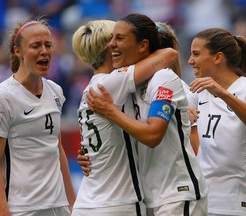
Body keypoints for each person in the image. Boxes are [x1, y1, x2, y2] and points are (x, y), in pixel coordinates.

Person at [83, 14, 208, 215]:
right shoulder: (128, 84)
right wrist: (89, 153)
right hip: (149, 197)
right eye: (111, 38)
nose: (111, 45)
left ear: (143, 46)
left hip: (177, 195)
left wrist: (110, 111)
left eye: (120, 39)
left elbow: (152, 135)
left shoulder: (163, 78)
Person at [71, 19, 178, 216]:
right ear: (109, 49)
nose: (116, 43)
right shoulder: (113, 82)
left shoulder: (90, 89)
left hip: (86, 202)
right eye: (114, 39)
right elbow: (168, 54)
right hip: (118, 202)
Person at [0, 17, 76, 216]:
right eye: (36, 45)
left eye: (48, 44)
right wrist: (3, 211)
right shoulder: (1, 99)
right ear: (18, 51)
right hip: (21, 209)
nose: (44, 51)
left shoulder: (56, 91)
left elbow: (57, 149)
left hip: (57, 206)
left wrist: (72, 201)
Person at [187, 28, 246, 216]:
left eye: (196, 54)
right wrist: (181, 110)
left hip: (238, 200)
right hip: (202, 197)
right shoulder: (198, 91)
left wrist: (223, 94)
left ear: (218, 57)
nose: (190, 61)